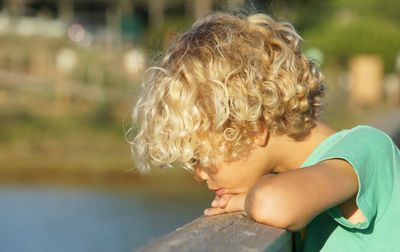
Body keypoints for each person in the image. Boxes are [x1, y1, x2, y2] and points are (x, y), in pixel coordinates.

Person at [130, 12, 400, 251]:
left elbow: (274, 204)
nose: (199, 174)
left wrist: (244, 201)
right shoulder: (306, 181)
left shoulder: (368, 147)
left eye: (200, 155)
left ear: (252, 129)